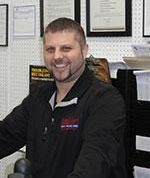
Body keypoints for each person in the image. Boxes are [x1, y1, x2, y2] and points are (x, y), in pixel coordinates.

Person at [0, 17, 127, 178]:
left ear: (84, 50)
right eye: (50, 49)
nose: (57, 56)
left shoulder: (105, 101)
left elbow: (94, 165)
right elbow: (5, 135)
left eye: (66, 48)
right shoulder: (39, 97)